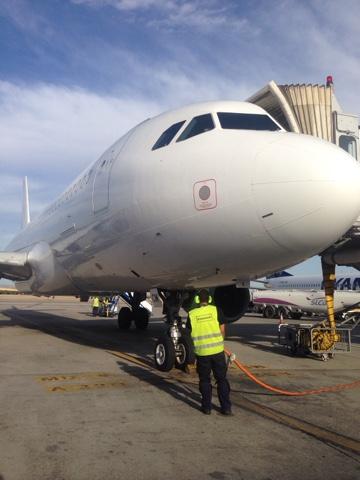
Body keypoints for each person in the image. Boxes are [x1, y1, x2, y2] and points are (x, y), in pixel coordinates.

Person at [188, 289, 232, 415]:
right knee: (222, 380)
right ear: (210, 299)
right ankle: (226, 408)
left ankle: (207, 408)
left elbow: (190, 334)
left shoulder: (192, 314)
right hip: (217, 352)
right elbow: (222, 330)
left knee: (205, 380)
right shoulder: (216, 310)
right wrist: (219, 343)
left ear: (197, 300)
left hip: (202, 353)